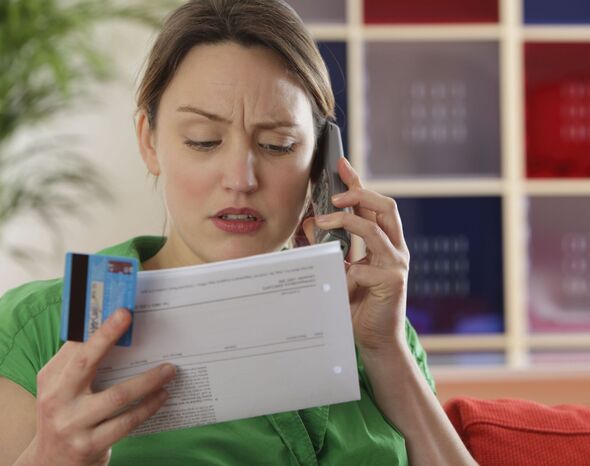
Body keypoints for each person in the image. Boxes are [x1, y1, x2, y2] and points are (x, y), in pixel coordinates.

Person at [0, 1, 477, 465]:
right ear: (149, 141)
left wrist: (384, 350)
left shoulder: (376, 329)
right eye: (203, 141)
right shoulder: (38, 328)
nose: (241, 178)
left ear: (323, 165)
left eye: (278, 145)